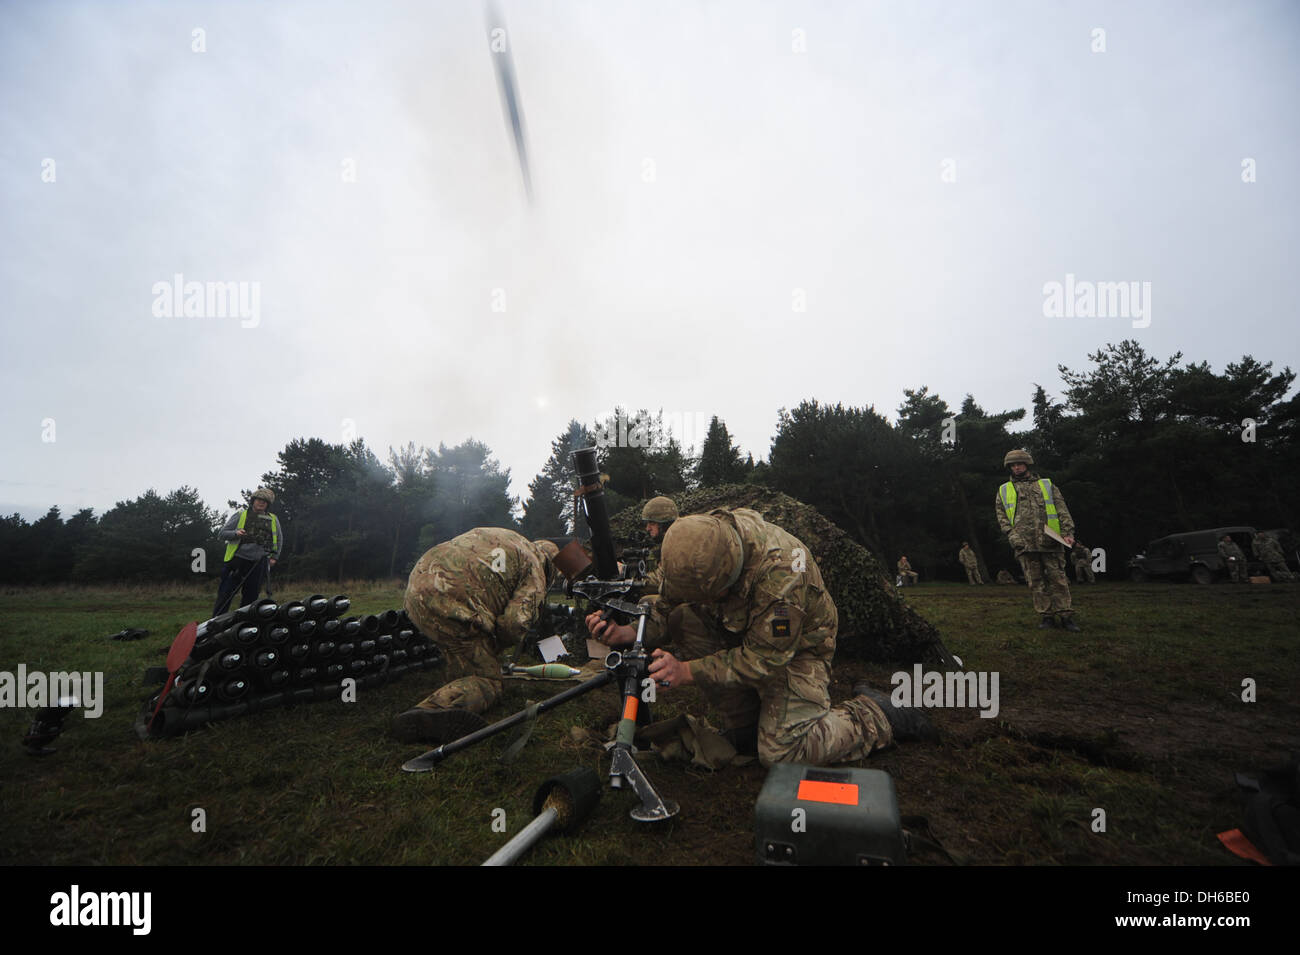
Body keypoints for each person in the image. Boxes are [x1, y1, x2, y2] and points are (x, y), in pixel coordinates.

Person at [585, 508, 936, 768]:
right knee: (682, 618)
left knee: (783, 753)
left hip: (796, 651)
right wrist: (630, 632)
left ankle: (876, 715)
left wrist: (688, 671)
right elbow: (669, 604)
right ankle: (747, 724)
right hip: (743, 632)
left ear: (727, 578)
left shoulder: (783, 576)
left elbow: (765, 659)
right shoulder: (700, 541)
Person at [392, 529, 559, 743]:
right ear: (551, 568)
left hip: (416, 591)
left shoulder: (512, 540)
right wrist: (496, 648)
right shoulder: (536, 566)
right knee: (488, 680)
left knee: (461, 650)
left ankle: (456, 684)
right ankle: (430, 711)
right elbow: (514, 623)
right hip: (453, 603)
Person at [995, 449, 1080, 631]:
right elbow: (1001, 516)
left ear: (1027, 464)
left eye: (1019, 464)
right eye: (1013, 465)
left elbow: (1061, 509)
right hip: (1024, 543)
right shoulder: (1004, 490)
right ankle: (1046, 616)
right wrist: (1012, 534)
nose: (1016, 467)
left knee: (1058, 579)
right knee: (1035, 582)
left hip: (1050, 540)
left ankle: (1066, 615)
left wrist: (1068, 532)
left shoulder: (1046, 485)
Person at [213, 488, 282, 616]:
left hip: (259, 563)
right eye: (259, 500)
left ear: (268, 504)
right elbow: (222, 534)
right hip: (237, 561)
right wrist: (236, 533)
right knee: (225, 594)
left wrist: (274, 557)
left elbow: (279, 539)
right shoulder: (240, 515)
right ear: (253, 501)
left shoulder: (273, 519)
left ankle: (243, 626)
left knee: (251, 598)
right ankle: (215, 623)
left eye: (265, 501)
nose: (261, 503)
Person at [638, 496, 679, 595]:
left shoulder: (677, 545)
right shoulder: (667, 543)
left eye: (652, 523)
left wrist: (630, 580)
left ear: (665, 524)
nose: (647, 528)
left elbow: (662, 580)